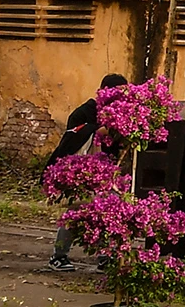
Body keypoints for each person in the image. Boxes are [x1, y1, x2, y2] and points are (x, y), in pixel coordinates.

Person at [41, 73, 125, 272]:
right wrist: (97, 131)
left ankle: (106, 257)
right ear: (104, 92)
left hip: (106, 174)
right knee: (74, 213)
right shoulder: (82, 114)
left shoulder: (119, 115)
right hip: (81, 174)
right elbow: (71, 142)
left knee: (109, 213)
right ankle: (59, 256)